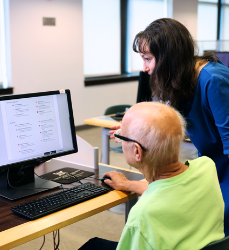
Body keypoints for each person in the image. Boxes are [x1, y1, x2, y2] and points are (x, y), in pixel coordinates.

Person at [110, 17, 229, 236]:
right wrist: (130, 130)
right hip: (210, 167)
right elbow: (164, 121)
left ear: (168, 58)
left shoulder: (213, 79)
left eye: (148, 59)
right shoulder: (179, 81)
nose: (144, 68)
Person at [79, 102, 224, 250]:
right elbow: (169, 191)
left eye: (122, 136)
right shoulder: (207, 167)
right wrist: (128, 184)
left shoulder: (143, 216)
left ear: (137, 152)